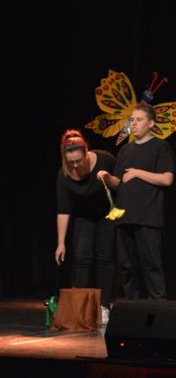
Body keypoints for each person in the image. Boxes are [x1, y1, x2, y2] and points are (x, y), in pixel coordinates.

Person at [97, 103, 174, 300]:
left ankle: (159, 308)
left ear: (151, 123)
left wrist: (138, 172)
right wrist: (107, 177)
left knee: (151, 265)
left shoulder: (160, 146)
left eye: (139, 120)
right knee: (127, 266)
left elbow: (167, 179)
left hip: (147, 216)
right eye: (132, 120)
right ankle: (132, 307)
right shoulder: (125, 150)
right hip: (124, 216)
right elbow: (119, 182)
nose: (134, 123)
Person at [54, 129, 117, 320]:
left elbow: (121, 184)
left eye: (78, 161)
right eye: (70, 162)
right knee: (81, 258)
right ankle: (79, 308)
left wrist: (108, 178)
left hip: (107, 215)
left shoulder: (105, 159)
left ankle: (104, 305)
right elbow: (63, 209)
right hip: (83, 217)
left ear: (86, 153)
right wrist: (61, 243)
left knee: (105, 258)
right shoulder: (64, 174)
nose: (75, 165)